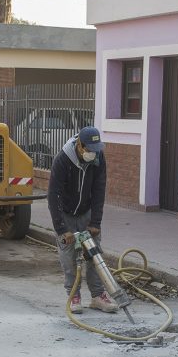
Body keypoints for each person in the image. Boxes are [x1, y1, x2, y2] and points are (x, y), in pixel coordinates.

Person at [48, 126, 119, 314]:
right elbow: (53, 195)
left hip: (86, 212)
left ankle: (98, 296)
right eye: (90, 150)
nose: (93, 154)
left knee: (94, 254)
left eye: (96, 150)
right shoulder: (62, 160)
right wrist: (61, 229)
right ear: (80, 145)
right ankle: (74, 295)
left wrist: (96, 222)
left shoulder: (98, 157)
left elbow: (99, 189)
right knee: (69, 257)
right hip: (65, 213)